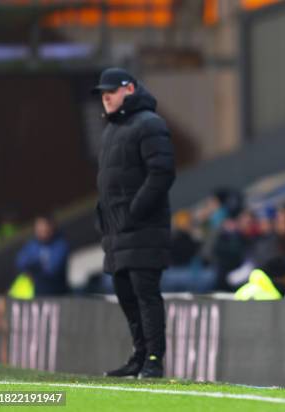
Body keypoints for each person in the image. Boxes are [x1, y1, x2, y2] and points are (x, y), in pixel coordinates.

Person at [93, 68, 175, 379]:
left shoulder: (150, 124)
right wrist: (104, 219)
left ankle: (154, 359)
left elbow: (162, 173)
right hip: (116, 233)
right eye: (103, 93)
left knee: (145, 293)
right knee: (126, 293)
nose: (106, 96)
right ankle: (139, 356)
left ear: (129, 89)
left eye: (111, 90)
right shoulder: (112, 130)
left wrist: (134, 212)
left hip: (143, 229)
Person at [15, 215, 69, 296]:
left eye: (45, 227)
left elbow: (53, 269)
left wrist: (34, 266)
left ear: (51, 227)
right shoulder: (32, 244)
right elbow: (20, 262)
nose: (42, 230)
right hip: (36, 292)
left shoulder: (60, 244)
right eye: (39, 227)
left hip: (56, 293)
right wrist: (36, 265)